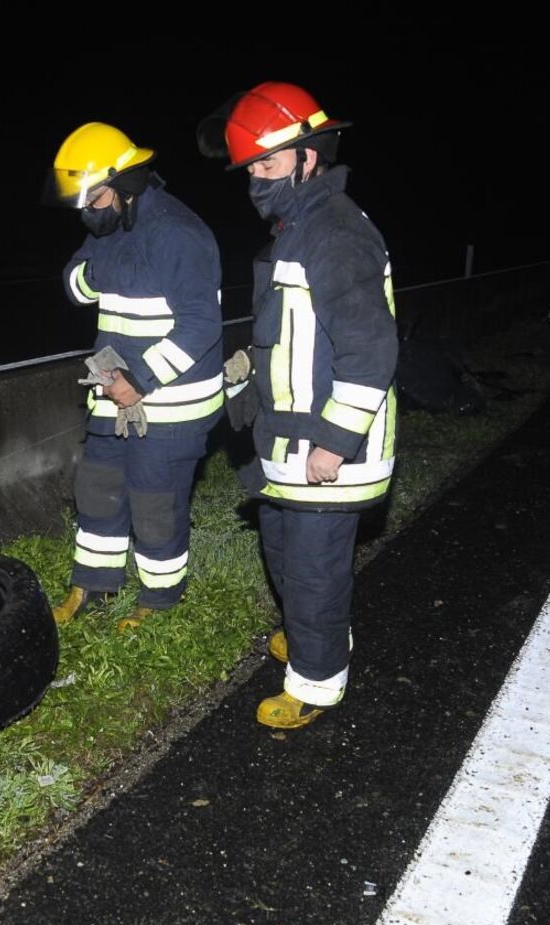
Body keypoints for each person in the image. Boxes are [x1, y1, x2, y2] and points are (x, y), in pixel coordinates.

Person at [197, 82, 398, 729]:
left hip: (330, 452)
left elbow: (370, 348)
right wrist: (247, 375)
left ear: (310, 156)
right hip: (290, 445)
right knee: (283, 554)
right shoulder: (296, 229)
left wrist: (337, 440)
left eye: (270, 164)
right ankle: (322, 639)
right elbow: (294, 336)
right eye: (252, 168)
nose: (258, 179)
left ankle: (315, 684)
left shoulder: (334, 231)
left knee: (311, 574)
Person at [47, 122, 224, 631]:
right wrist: (97, 271)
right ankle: (92, 586)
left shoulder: (178, 234)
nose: (87, 211)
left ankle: (160, 601)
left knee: (155, 501)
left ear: (124, 184)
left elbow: (201, 325)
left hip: (169, 405)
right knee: (98, 491)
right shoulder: (109, 224)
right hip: (112, 394)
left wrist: (141, 379)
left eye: (95, 197)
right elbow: (75, 286)